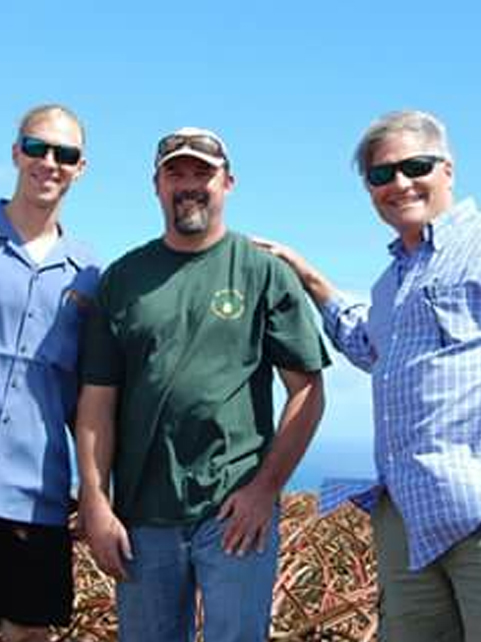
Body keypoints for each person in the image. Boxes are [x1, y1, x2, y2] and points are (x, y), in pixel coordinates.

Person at [75, 126, 330, 642]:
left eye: (203, 174)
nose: (189, 184)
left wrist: (265, 490)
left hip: (235, 512)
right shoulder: (122, 280)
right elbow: (97, 404)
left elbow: (307, 389)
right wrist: (96, 502)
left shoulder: (263, 272)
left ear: (228, 183)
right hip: (143, 517)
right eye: (177, 173)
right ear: (157, 185)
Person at [255, 110, 481, 642]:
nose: (399, 183)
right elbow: (368, 346)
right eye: (381, 175)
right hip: (407, 516)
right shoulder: (390, 283)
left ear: (446, 168)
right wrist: (308, 277)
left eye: (415, 166)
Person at [0, 105, 99, 642]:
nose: (49, 162)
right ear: (16, 152)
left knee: (27, 634)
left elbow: (93, 396)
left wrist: (95, 489)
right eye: (37, 147)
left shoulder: (90, 275)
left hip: (34, 494)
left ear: (80, 168)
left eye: (65, 154)